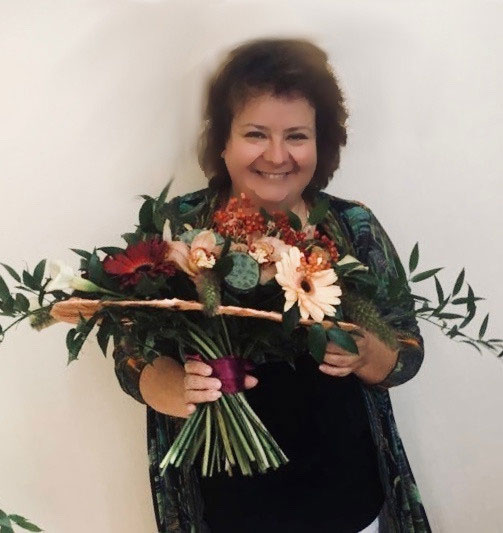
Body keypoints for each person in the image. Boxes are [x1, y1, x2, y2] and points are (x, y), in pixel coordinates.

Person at [112, 38, 431, 532]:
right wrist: (177, 388)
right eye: (256, 134)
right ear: (223, 141)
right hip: (227, 508)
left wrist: (368, 353)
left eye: (297, 136)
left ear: (322, 143)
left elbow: (407, 347)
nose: (277, 156)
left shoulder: (354, 227)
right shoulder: (179, 228)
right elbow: (131, 353)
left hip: (348, 502)